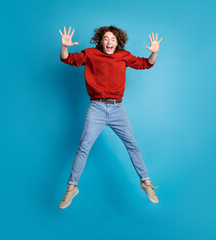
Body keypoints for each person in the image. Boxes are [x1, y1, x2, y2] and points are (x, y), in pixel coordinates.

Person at [58, 26, 163, 209]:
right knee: (84, 147)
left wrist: (154, 53)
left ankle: (146, 183)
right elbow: (67, 59)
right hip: (97, 107)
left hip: (117, 109)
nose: (109, 42)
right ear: (101, 40)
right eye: (106, 38)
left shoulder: (123, 56)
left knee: (132, 145)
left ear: (117, 42)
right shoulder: (90, 54)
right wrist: (65, 47)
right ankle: (71, 188)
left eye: (113, 39)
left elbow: (146, 64)